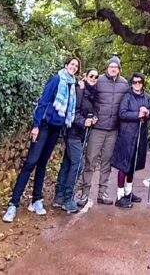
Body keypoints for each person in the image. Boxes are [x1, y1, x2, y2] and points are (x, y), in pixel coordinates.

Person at [3, 57, 80, 222]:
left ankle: (36, 200)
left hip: (56, 129)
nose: (74, 67)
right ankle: (13, 204)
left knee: (43, 163)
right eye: (72, 64)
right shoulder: (57, 79)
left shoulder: (72, 85)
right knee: (31, 162)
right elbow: (43, 101)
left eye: (76, 66)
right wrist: (36, 125)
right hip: (44, 126)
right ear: (66, 65)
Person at [77, 56, 128, 206]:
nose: (113, 69)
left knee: (107, 162)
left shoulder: (124, 84)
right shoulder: (98, 80)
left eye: (116, 67)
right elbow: (87, 94)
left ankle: (102, 193)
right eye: (111, 66)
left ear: (119, 69)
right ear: (107, 67)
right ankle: (85, 193)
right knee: (90, 161)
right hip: (97, 128)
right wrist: (81, 85)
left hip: (113, 129)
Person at [52, 69, 98, 214]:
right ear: (85, 76)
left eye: (96, 77)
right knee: (78, 164)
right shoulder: (79, 90)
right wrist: (83, 121)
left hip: (81, 134)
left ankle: (59, 197)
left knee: (67, 163)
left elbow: (91, 111)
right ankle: (68, 198)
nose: (94, 78)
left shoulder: (93, 93)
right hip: (73, 132)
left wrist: (93, 119)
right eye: (91, 76)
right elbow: (73, 111)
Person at [110, 73, 150, 209]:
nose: (137, 84)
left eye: (139, 82)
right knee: (124, 165)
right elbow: (122, 113)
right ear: (131, 83)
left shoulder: (147, 97)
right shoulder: (127, 97)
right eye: (134, 82)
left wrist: (148, 112)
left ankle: (128, 192)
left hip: (140, 134)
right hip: (127, 135)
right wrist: (137, 114)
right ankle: (120, 195)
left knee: (133, 165)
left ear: (143, 83)